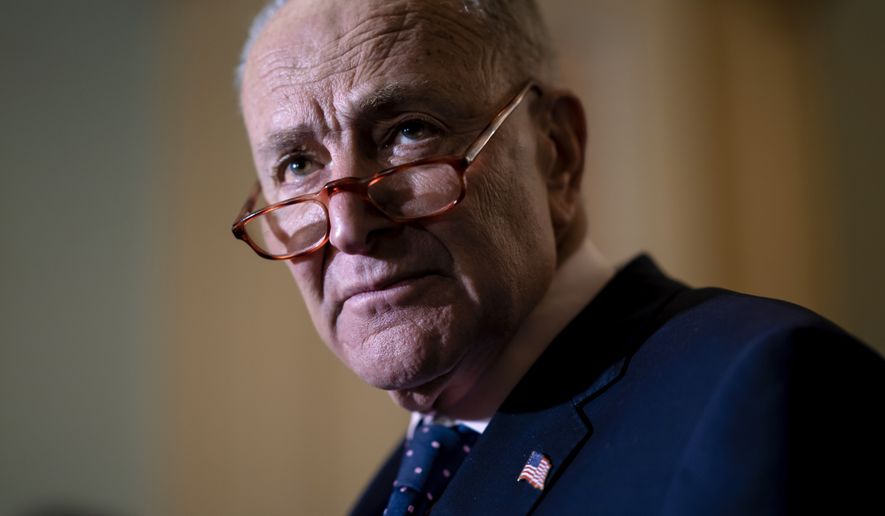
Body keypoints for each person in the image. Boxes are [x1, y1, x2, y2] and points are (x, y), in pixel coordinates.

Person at [231, 0, 884, 514]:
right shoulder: (395, 491)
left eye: (409, 131)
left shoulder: (770, 388)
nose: (346, 226)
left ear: (557, 152)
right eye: (295, 164)